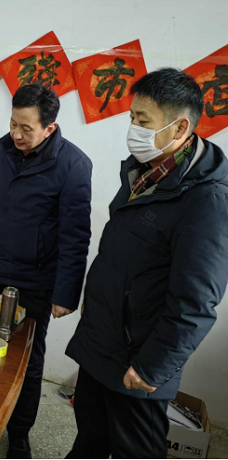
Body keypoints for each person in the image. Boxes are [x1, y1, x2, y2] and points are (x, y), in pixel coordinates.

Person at [66, 68, 228, 458]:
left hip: (138, 361)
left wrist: (153, 367)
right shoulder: (144, 171)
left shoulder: (206, 200)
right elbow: (121, 253)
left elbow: (195, 302)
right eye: (132, 118)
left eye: (143, 121)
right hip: (101, 341)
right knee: (89, 439)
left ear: (180, 128)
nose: (133, 129)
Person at [0, 83, 92, 458]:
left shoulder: (73, 165)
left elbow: (75, 236)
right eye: (13, 124)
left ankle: (18, 435)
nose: (16, 134)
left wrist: (65, 294)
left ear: (49, 128)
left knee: (26, 363)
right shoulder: (1, 149)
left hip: (35, 280)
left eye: (26, 128)